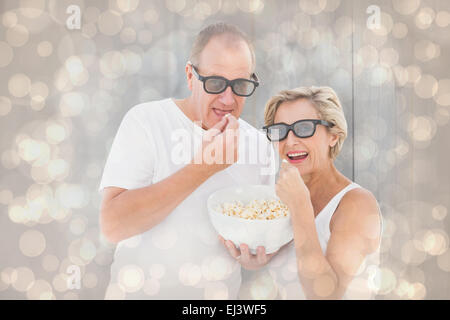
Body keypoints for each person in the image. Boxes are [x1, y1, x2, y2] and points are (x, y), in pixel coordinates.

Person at [98, 22, 276, 299]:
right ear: (190, 76)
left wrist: (256, 257)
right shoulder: (146, 121)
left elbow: (259, 235)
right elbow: (113, 225)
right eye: (216, 82)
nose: (228, 99)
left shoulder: (260, 147)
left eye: (240, 84)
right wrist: (203, 168)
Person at [221, 86, 383, 299]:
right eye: (280, 130)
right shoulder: (283, 200)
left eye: (304, 128)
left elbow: (325, 296)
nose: (289, 142)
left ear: (333, 135)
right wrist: (257, 259)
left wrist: (300, 207)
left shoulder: (358, 204)